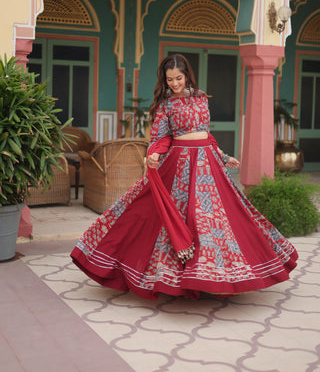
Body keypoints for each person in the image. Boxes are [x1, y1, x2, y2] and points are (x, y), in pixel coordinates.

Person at [71, 54, 298, 300]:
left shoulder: (201, 98)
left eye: (178, 78)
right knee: (165, 214)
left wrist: (223, 157)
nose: (174, 84)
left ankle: (212, 275)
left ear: (187, 75)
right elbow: (159, 137)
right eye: (169, 80)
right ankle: (177, 278)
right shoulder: (166, 104)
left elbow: (205, 134)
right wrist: (155, 154)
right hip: (179, 165)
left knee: (214, 219)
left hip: (208, 165)